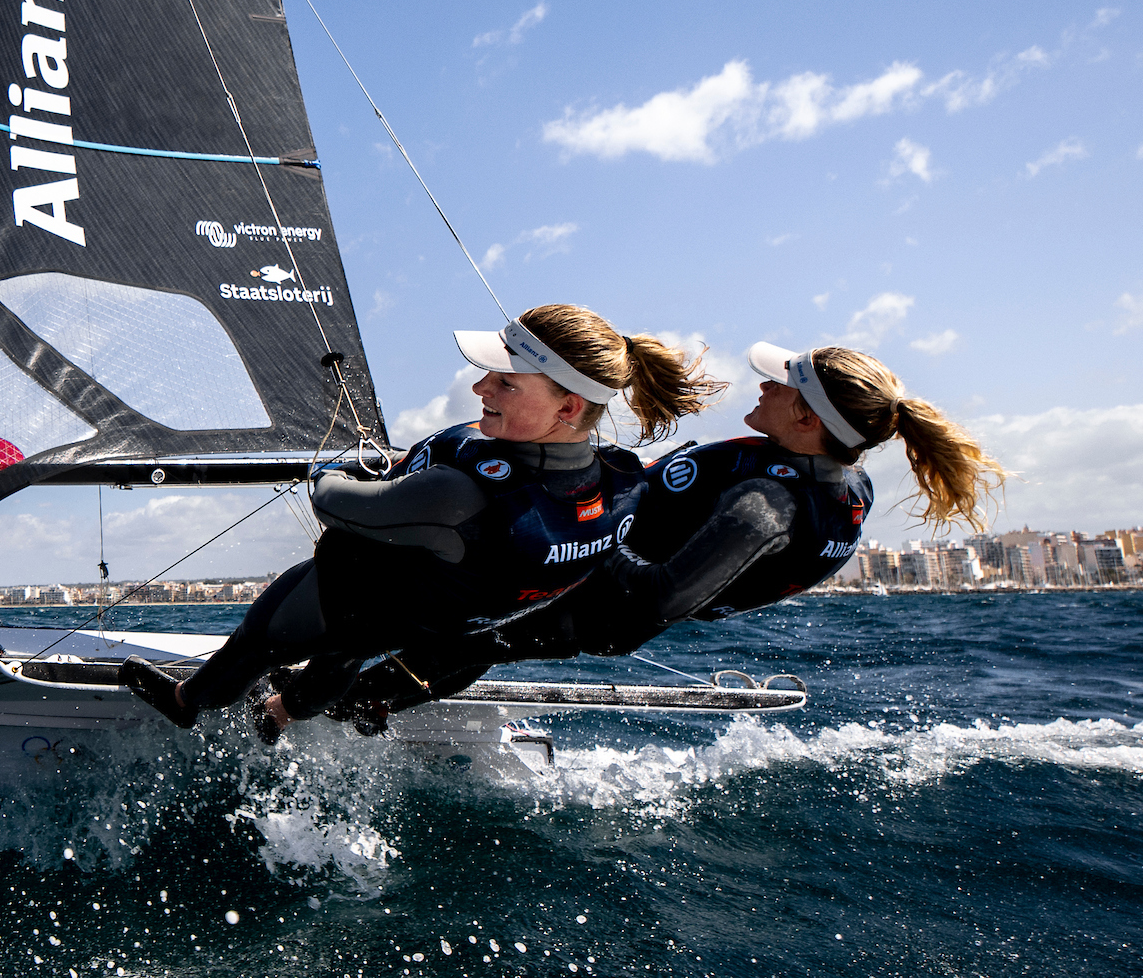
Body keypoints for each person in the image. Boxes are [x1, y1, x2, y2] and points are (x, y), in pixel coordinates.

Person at [319, 339, 1009, 733]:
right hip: (582, 573)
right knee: (468, 624)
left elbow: (658, 598)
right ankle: (353, 697)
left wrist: (579, 532)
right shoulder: (826, 472)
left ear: (804, 415)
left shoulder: (769, 504)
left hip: (587, 595)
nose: (763, 384)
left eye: (781, 382)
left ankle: (329, 706)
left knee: (469, 631)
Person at [121, 303, 724, 736]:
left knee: (257, 642)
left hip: (353, 598)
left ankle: (187, 700)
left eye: (506, 383)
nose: (482, 385)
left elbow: (335, 500)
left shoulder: (456, 496)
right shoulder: (621, 478)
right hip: (427, 622)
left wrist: (327, 468)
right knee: (347, 656)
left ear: (567, 405)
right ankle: (284, 714)